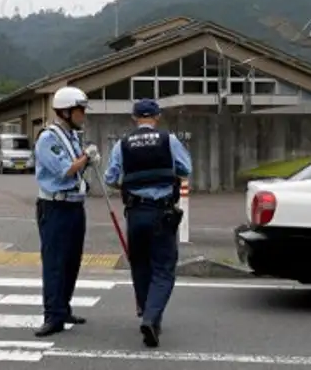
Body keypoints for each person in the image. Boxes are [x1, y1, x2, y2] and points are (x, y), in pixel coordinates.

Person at [103, 98, 192, 348]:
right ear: (157, 117)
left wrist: (131, 184)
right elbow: (186, 169)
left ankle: (147, 312)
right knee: (163, 267)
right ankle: (152, 318)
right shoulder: (168, 140)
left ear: (134, 118)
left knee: (140, 265)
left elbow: (111, 177)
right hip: (162, 212)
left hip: (135, 213)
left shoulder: (122, 144)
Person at [33, 86, 101, 337]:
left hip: (74, 205)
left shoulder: (72, 136)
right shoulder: (48, 138)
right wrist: (87, 158)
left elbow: (78, 167)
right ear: (65, 111)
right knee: (55, 262)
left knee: (72, 260)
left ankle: (64, 307)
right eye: (80, 109)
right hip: (54, 207)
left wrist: (86, 159)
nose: (83, 114)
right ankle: (52, 315)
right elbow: (65, 170)